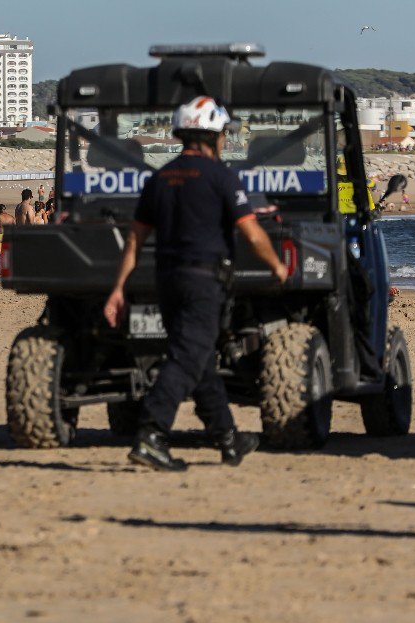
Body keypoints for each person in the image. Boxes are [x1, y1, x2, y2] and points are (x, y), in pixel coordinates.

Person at [104, 96, 288, 472]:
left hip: (166, 280)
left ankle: (227, 437)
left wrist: (118, 288)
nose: (224, 141)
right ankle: (151, 434)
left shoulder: (160, 178)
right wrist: (277, 266)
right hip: (203, 281)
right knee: (187, 358)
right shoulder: (221, 177)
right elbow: (252, 233)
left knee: (200, 359)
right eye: (222, 135)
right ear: (212, 136)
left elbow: (135, 240)